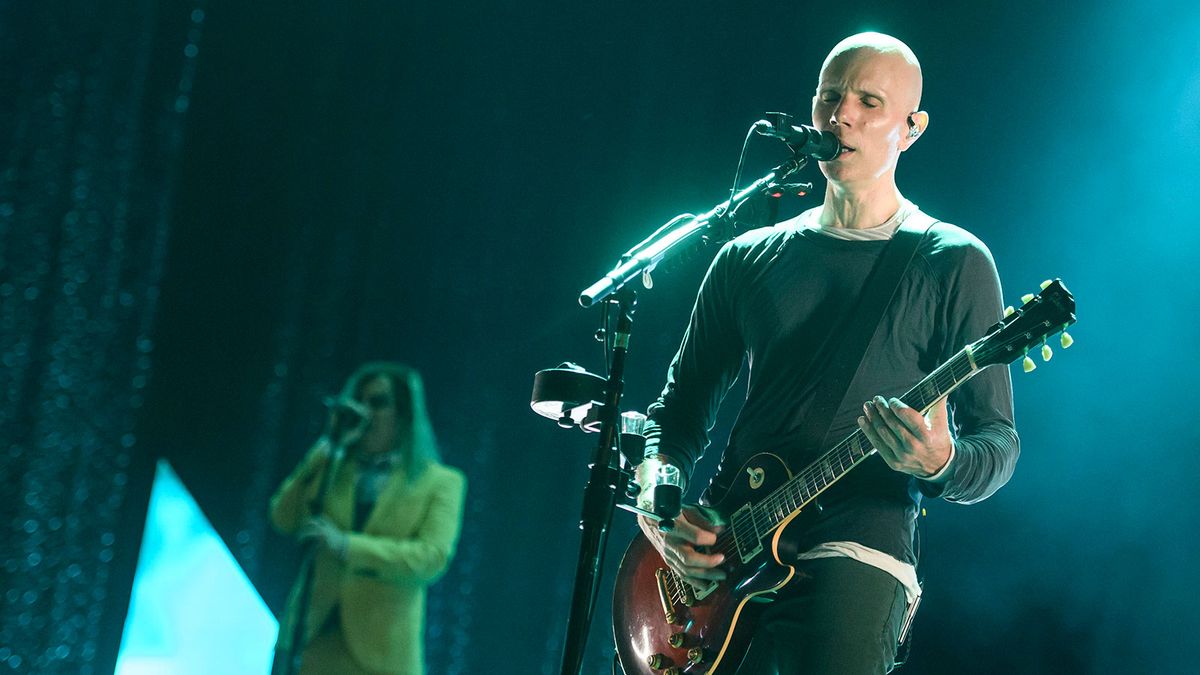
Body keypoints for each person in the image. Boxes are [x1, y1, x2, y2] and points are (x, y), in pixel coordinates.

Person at [635, 32, 1019, 673]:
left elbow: (999, 443)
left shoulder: (953, 261)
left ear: (911, 128)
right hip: (729, 553)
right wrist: (658, 503)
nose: (843, 114)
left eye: (870, 101)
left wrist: (939, 460)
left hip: (858, 546)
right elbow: (678, 409)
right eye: (831, 97)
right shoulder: (746, 257)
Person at [270, 362, 466, 675]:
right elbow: (283, 516)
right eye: (359, 401)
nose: (364, 411)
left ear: (403, 413)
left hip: (381, 654)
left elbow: (431, 557)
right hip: (309, 641)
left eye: (378, 402)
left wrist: (346, 545)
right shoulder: (333, 465)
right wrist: (329, 446)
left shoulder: (440, 482)